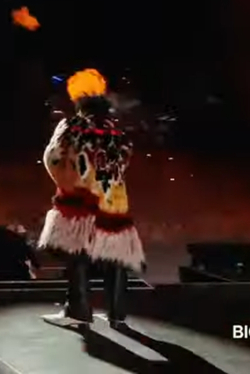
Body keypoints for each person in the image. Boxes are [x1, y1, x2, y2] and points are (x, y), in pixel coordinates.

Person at [39, 69, 144, 328]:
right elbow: (125, 160)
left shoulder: (72, 126)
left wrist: (68, 183)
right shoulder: (116, 132)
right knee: (116, 259)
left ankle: (79, 310)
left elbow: (52, 158)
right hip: (114, 202)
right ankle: (117, 316)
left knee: (77, 256)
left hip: (81, 200)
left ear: (78, 101)